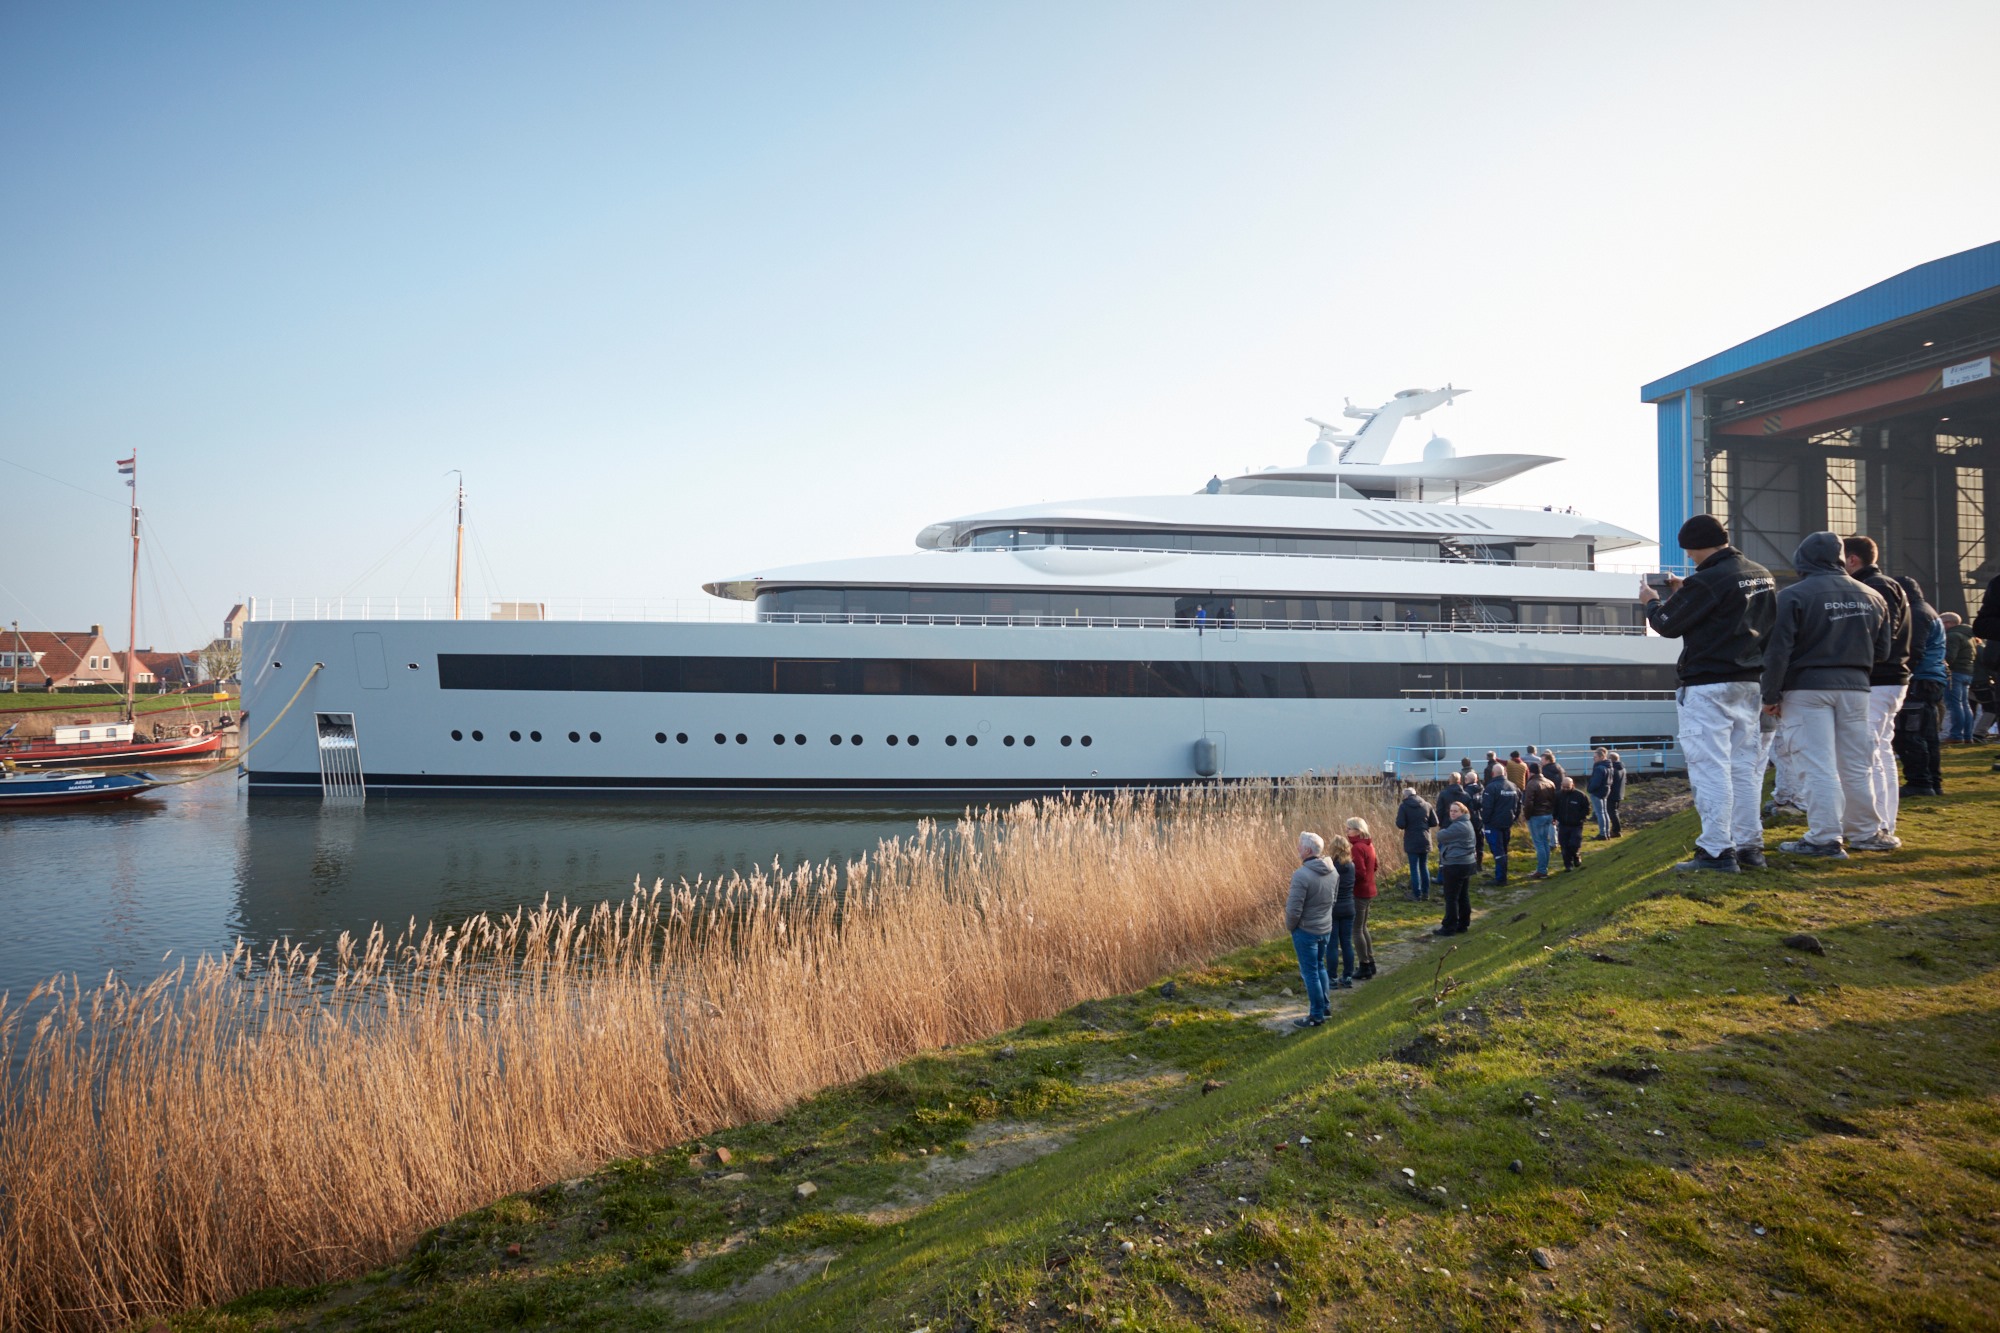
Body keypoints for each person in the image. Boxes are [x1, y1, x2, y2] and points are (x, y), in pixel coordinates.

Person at [1640, 514, 1778, 873]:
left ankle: (1716, 851)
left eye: (1690, 552)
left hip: (1708, 686)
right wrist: (1688, 590)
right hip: (1749, 682)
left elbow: (1666, 625)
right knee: (1743, 768)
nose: (1689, 559)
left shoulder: (1709, 581)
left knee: (1710, 769)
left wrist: (1651, 602)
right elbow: (1731, 607)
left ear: (1698, 546)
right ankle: (1751, 848)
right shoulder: (1760, 574)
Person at [1762, 532, 1894, 858]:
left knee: (1817, 765)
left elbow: (1777, 651)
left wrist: (1771, 694)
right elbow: (1884, 651)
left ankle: (1824, 838)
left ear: (1801, 560)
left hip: (1807, 690)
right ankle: (1866, 833)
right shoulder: (1872, 596)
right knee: (1856, 765)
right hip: (1857, 688)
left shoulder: (1792, 596)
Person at [1842, 536, 1913, 839]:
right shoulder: (1886, 584)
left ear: (1853, 560)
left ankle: (1875, 826)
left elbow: (1884, 633)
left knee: (1868, 753)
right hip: (1888, 678)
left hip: (1878, 679)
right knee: (1879, 750)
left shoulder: (1876, 587)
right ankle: (1882, 822)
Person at [1894, 576, 1946, 797]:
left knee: (1908, 733)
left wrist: (1899, 673)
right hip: (1931, 679)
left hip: (1918, 679)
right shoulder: (1927, 610)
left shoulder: (1915, 613)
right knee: (1928, 735)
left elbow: (1912, 649)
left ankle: (1919, 782)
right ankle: (1932, 781)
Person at [1284, 832, 1335, 1028]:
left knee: (1310, 972)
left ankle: (1316, 1016)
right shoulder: (1333, 871)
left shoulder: (1301, 875)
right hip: (1325, 927)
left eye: (1299, 845)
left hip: (1306, 930)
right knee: (1320, 967)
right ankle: (1325, 1008)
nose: (1297, 848)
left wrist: (1291, 927)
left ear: (1307, 850)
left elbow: (1293, 909)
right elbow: (1333, 899)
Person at [1434, 800, 1478, 936]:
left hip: (1456, 864)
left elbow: (1440, 836)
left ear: (1462, 812)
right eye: (1451, 811)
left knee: (1451, 897)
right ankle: (1463, 923)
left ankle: (1449, 927)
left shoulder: (1459, 826)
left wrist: (1444, 833)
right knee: (1462, 895)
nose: (1452, 813)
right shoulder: (1466, 823)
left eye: (1455, 811)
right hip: (1466, 863)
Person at [1346, 817, 1379, 980]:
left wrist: (1347, 882)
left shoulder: (1357, 848)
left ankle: (1364, 964)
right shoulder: (1369, 844)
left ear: (1358, 831)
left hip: (1359, 892)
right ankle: (1370, 961)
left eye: (1349, 829)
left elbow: (1359, 872)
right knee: (1363, 927)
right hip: (1369, 889)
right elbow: (1375, 866)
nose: (1347, 832)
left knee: (1356, 929)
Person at [1325, 833, 1358, 992]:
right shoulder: (1351, 866)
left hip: (1334, 909)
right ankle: (1347, 976)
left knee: (1332, 944)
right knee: (1346, 942)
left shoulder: (1331, 867)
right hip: (1349, 907)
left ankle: (1331, 977)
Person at [1481, 764, 1521, 885]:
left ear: (1493, 774)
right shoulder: (1513, 786)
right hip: (1507, 823)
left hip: (1494, 824)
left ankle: (1500, 878)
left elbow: (1487, 808)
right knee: (1503, 850)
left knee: (1498, 852)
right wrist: (1514, 819)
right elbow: (1519, 806)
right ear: (1505, 773)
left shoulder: (1491, 787)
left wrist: (1485, 821)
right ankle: (1502, 874)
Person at [1394, 786, 1437, 900]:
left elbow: (1400, 824)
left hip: (1411, 839)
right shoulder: (1427, 805)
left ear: (1406, 796)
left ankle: (1416, 894)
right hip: (1425, 839)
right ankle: (1426, 893)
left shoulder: (1404, 806)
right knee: (1424, 866)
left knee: (1414, 868)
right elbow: (1435, 822)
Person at [1943, 613, 1977, 743]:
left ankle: (1956, 735)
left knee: (1954, 705)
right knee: (1965, 704)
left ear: (1950, 623)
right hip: (1967, 672)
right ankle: (1968, 735)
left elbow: (1950, 657)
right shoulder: (1969, 636)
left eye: (1942, 622)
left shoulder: (1952, 636)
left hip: (1954, 673)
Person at [1522, 762, 1558, 879]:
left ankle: (1542, 870)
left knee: (1539, 844)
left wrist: (1527, 816)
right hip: (1548, 814)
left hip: (1536, 816)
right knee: (1545, 842)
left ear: (1530, 771)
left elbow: (1528, 803)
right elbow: (1554, 800)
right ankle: (1544, 868)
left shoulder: (1532, 784)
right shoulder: (1550, 783)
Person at [1554, 776, 1591, 870]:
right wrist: (1554, 818)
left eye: (1567, 787)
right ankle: (1568, 865)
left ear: (1572, 785)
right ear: (1561, 785)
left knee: (1574, 844)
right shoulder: (1558, 795)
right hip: (1563, 824)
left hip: (1576, 825)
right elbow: (1555, 808)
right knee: (1564, 846)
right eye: (1564, 786)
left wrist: (1580, 818)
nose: (1565, 789)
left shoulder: (1580, 796)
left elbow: (1587, 808)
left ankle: (1576, 856)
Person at [1587, 747, 1613, 838]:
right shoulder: (1609, 766)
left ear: (1601, 757)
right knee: (1604, 812)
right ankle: (1607, 832)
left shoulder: (1599, 768)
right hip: (1605, 791)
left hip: (1597, 792)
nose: (1594, 759)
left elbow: (1596, 782)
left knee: (1600, 813)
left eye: (1595, 757)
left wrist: (1590, 789)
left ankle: (1602, 833)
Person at [1605, 751, 1626, 836]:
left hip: (1612, 794)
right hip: (1619, 793)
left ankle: (1616, 830)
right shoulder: (1622, 768)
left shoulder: (1613, 769)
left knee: (1612, 812)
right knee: (1615, 811)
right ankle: (1615, 829)